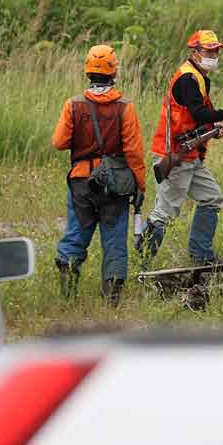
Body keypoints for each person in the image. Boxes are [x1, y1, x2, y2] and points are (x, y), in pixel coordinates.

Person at [138, 30, 223, 268]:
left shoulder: (198, 77)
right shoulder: (188, 79)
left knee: (212, 198)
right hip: (176, 155)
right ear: (195, 52)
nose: (214, 54)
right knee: (164, 213)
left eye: (216, 50)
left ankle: (201, 257)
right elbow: (198, 113)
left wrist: (212, 127)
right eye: (209, 50)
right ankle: (140, 264)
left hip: (188, 154)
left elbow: (196, 117)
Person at [51, 44, 147, 307]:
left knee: (76, 233)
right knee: (115, 237)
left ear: (87, 72)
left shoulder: (73, 105)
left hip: (81, 181)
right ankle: (111, 300)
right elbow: (134, 153)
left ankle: (67, 295)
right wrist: (140, 185)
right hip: (114, 185)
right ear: (114, 72)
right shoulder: (126, 108)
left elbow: (59, 142)